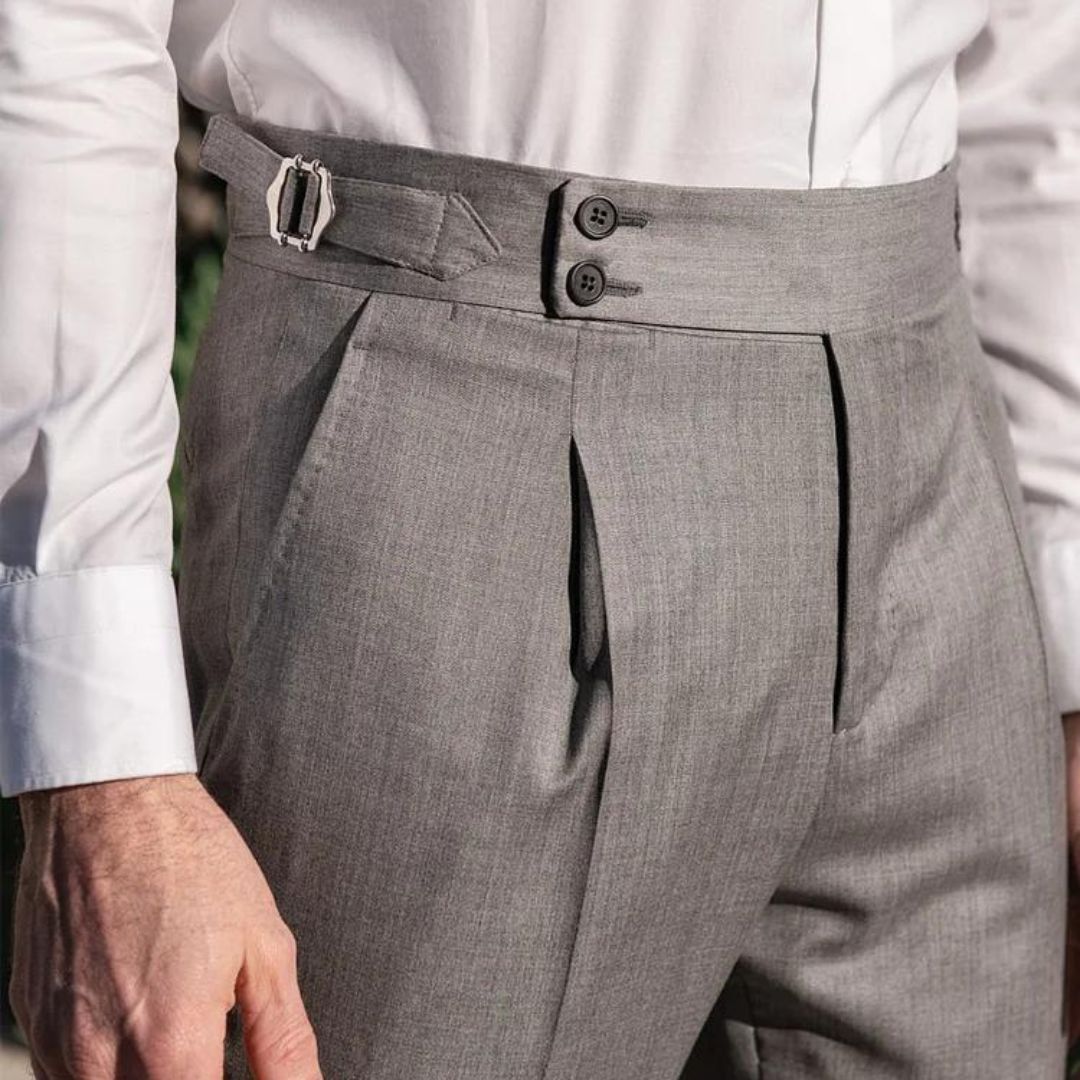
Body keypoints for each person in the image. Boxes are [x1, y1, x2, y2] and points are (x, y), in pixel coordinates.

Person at [2, 1, 1078, 1076]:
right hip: (459, 444)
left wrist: (1068, 625)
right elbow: (63, 26)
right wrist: (103, 767)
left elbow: (1045, 60)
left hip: (939, 482)